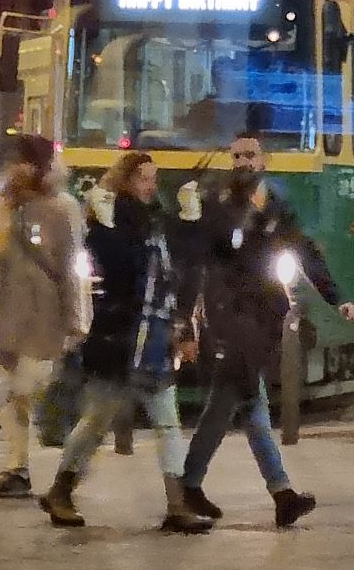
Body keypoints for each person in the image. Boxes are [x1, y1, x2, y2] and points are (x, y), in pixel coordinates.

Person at [177, 134, 354, 529]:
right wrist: (186, 319)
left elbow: (305, 251)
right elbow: (199, 257)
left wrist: (336, 297)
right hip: (231, 321)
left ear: (264, 161)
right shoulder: (218, 205)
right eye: (237, 156)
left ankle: (198, 485)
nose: (243, 162)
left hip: (259, 322)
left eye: (250, 155)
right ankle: (272, 493)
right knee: (241, 402)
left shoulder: (276, 205)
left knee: (238, 405)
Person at [42, 152, 212, 534]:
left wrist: (191, 223)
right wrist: (104, 229)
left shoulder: (156, 221)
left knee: (167, 423)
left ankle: (176, 505)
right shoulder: (111, 221)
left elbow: (181, 270)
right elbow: (119, 268)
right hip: (120, 340)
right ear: (126, 181)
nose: (152, 186)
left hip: (153, 340)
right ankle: (61, 489)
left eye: (154, 178)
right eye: (144, 179)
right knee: (96, 422)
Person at [0, 135, 87, 498]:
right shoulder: (9, 204)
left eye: (22, 162)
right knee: (16, 399)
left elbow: (69, 268)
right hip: (10, 315)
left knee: (25, 392)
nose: (15, 169)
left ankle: (40, 468)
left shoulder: (62, 207)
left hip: (45, 317)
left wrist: (75, 319)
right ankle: (18, 469)